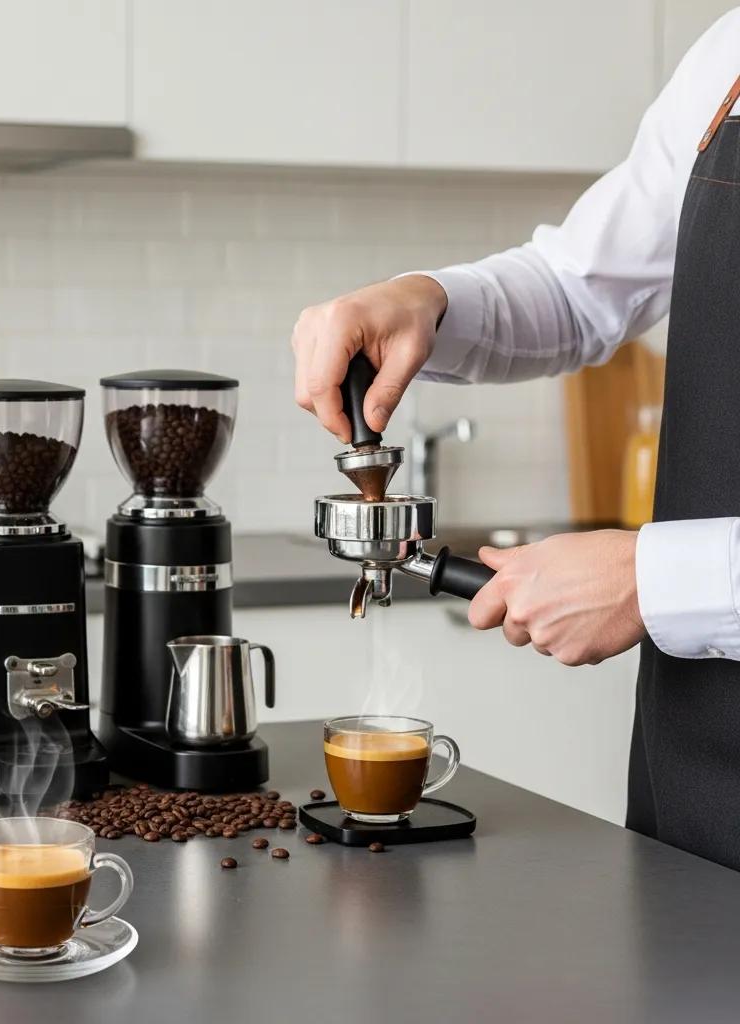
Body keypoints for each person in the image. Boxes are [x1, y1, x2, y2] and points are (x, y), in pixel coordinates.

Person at [290, 9, 740, 871]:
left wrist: (655, 581)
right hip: (698, 781)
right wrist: (424, 301)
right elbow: (580, 286)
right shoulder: (733, 54)